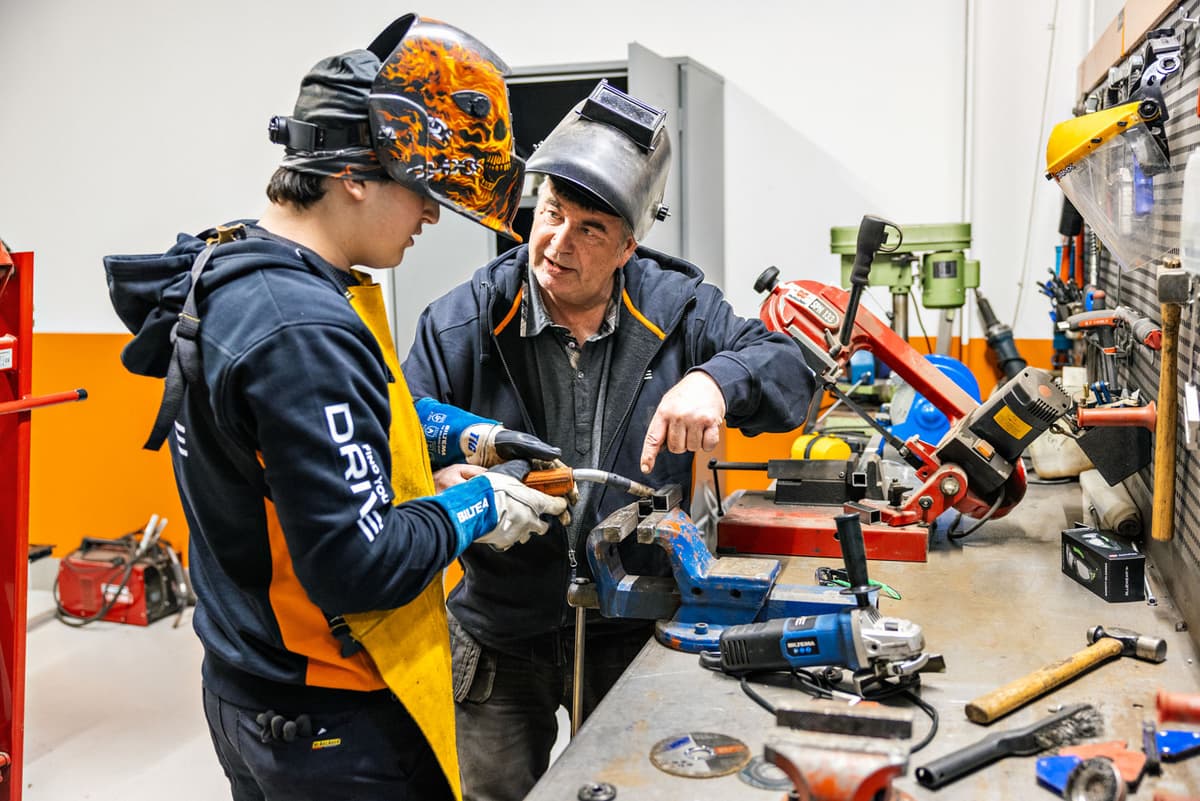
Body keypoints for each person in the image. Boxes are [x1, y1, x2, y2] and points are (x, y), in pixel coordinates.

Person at [103, 15, 568, 801]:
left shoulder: (238, 269)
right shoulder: (303, 330)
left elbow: (320, 446)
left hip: (249, 688)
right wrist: (477, 506)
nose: (431, 216)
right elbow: (362, 564)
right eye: (423, 190)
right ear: (354, 174)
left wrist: (466, 437)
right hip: (331, 722)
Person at [403, 80, 814, 801]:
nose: (557, 242)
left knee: (636, 790)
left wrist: (716, 380)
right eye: (551, 213)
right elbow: (401, 434)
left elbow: (791, 372)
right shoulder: (464, 320)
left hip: (636, 627)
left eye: (590, 229)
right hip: (500, 633)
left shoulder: (680, 310)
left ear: (628, 245)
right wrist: (443, 482)